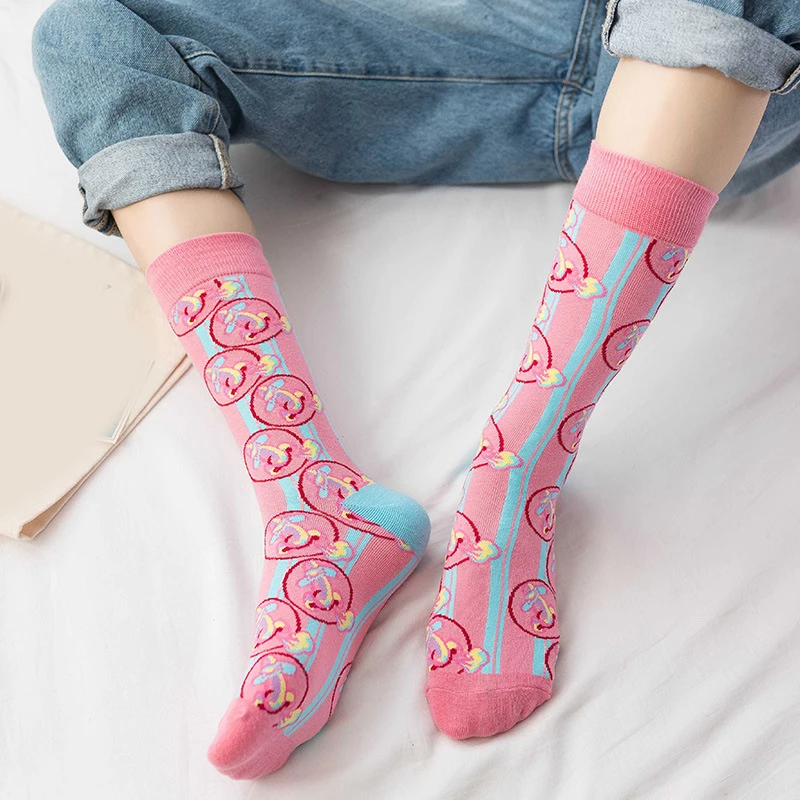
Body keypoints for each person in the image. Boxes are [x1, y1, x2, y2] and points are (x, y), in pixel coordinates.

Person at [31, 0, 800, 781]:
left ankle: (519, 468)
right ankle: (311, 501)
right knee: (88, 35)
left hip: (727, 66)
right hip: (484, 42)